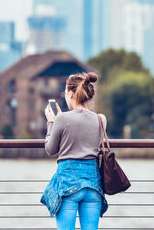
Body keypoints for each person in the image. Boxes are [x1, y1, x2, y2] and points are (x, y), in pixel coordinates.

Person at [40, 72, 108, 230]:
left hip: (68, 185)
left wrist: (51, 122)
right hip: (94, 186)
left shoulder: (62, 119)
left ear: (70, 94)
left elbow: (50, 149)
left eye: (65, 92)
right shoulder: (101, 119)